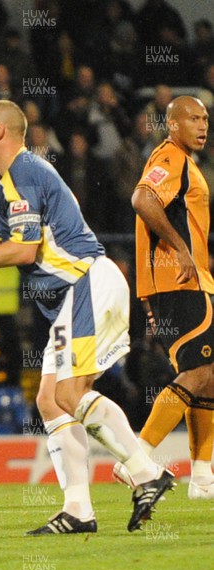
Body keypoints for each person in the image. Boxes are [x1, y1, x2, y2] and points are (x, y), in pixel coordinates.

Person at [0, 100, 175, 534]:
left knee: (70, 393)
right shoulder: (2, 192)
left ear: (0, 131)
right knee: (50, 400)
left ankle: (146, 472)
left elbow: (23, 251)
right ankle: (78, 510)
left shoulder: (28, 171)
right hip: (72, 297)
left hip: (87, 282)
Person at [113, 96, 214, 500]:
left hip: (182, 282)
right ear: (172, 124)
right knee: (198, 373)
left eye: (205, 119)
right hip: (180, 280)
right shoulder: (170, 157)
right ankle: (135, 459)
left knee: (208, 374)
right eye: (193, 118)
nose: (202, 125)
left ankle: (203, 476)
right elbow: (142, 199)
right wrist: (181, 248)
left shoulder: (186, 162)